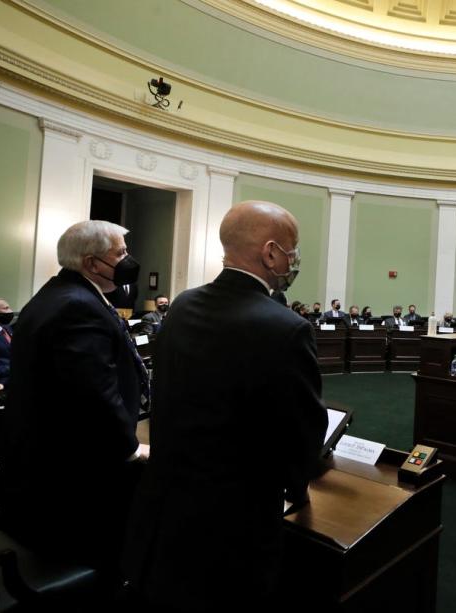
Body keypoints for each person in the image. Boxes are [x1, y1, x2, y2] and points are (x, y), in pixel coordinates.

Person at [124, 201, 328, 612]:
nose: (294, 260)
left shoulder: (182, 305)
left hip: (166, 507)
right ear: (271, 253)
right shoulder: (286, 328)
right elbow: (302, 437)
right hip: (234, 527)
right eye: (293, 250)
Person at [0, 220, 149, 581]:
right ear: (93, 263)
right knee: (105, 562)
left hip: (50, 461)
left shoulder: (63, 293)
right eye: (121, 253)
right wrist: (130, 448)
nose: (128, 259)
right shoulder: (76, 305)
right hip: (74, 477)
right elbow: (92, 390)